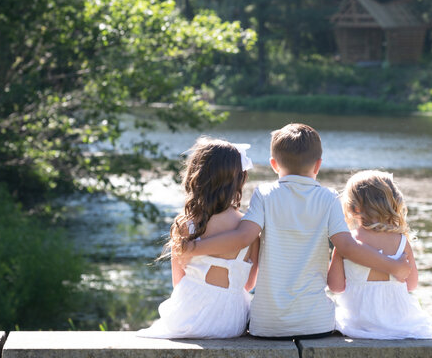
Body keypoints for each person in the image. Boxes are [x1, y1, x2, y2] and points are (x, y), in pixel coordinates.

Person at [182, 123, 410, 338]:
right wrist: (394, 266)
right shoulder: (329, 197)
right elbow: (349, 247)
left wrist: (194, 247)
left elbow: (243, 237)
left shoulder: (264, 194)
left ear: (274, 164)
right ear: (318, 165)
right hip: (316, 324)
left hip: (266, 325)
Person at [138, 138, 259, 339]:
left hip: (189, 317)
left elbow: (178, 282)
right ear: (240, 180)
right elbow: (248, 285)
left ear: (196, 177)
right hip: (231, 322)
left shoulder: (186, 225)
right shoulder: (249, 228)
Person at [327, 170, 432, 340]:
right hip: (398, 323)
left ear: (353, 208)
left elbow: (335, 287)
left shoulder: (348, 242)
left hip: (359, 323)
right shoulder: (402, 241)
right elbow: (411, 285)